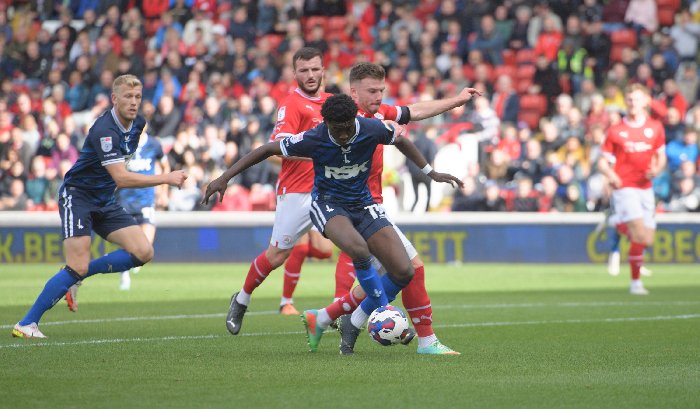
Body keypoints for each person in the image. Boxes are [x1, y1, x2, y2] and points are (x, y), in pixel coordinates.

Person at [202, 94, 464, 355]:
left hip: (363, 205)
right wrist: (224, 178)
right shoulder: (315, 137)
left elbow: (402, 140)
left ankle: (349, 319)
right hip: (328, 205)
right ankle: (384, 310)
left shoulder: (371, 128)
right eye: (336, 129)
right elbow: (268, 149)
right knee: (359, 250)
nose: (342, 134)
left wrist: (431, 172)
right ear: (325, 122)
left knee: (404, 272)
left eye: (347, 127)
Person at [304, 62, 481, 355]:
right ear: (353, 92)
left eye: (381, 90)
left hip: (371, 209)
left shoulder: (377, 115)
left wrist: (457, 100)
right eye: (372, 91)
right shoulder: (343, 121)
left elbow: (414, 111)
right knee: (411, 268)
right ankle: (425, 341)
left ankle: (326, 318)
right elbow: (307, 147)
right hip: (352, 209)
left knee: (383, 279)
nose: (378, 96)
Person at [12, 74, 187, 338]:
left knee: (143, 251)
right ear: (114, 99)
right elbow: (121, 177)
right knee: (77, 265)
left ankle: (76, 276)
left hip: (104, 199)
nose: (134, 102)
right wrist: (166, 178)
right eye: (128, 96)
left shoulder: (139, 123)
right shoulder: (104, 129)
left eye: (138, 97)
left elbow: (121, 169)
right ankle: (26, 323)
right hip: (78, 197)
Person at [222, 47, 335, 336]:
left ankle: (341, 312)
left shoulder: (334, 104)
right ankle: (242, 299)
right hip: (296, 190)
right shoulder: (292, 105)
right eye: (303, 70)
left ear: (324, 70)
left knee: (352, 245)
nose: (310, 75)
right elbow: (276, 151)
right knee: (276, 256)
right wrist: (317, 155)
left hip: (329, 188)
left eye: (315, 69)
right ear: (294, 73)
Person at [597, 84, 666, 295]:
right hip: (624, 187)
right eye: (628, 100)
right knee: (638, 235)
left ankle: (618, 224)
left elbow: (660, 156)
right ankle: (635, 283)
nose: (632, 104)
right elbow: (602, 162)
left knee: (648, 239)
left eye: (636, 99)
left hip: (645, 187)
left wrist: (656, 169)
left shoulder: (655, 127)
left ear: (645, 101)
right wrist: (612, 176)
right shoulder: (616, 130)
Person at [114, 129, 169, 290]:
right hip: (124, 199)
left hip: (146, 199)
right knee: (128, 241)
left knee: (145, 245)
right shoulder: (122, 144)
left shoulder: (154, 144)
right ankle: (124, 271)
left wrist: (163, 191)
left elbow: (165, 165)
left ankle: (134, 261)